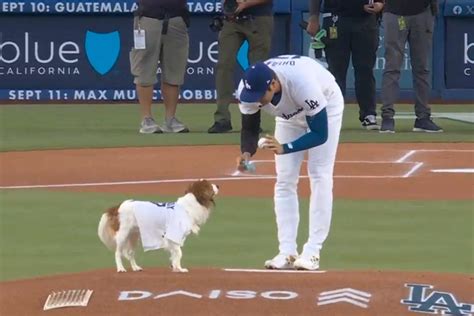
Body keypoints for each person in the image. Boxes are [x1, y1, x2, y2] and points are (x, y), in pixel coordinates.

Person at [236, 56, 344, 270]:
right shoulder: (247, 90)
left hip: (326, 107)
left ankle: (313, 252)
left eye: (260, 96)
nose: (256, 101)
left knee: (319, 174)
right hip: (287, 116)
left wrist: (286, 148)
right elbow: (250, 127)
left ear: (273, 85)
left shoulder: (303, 83)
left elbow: (320, 134)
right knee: (284, 179)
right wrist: (246, 153)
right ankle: (287, 252)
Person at [307, 0, 383, 130]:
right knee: (336, 71)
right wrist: (313, 17)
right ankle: (333, 114)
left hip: (366, 21)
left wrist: (380, 4)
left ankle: (368, 114)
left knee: (365, 70)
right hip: (336, 18)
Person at [208, 0, 274, 133]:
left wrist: (245, 3)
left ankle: (253, 119)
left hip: (259, 17)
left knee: (257, 69)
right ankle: (222, 119)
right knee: (223, 66)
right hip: (231, 18)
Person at [380, 0, 442, 133]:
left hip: (423, 11)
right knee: (392, 67)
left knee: (422, 68)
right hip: (394, 12)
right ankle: (387, 117)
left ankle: (423, 118)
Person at [130, 0, 190, 134]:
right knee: (144, 69)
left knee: (174, 71)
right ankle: (146, 119)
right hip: (148, 17)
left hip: (177, 18)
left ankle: (170, 119)